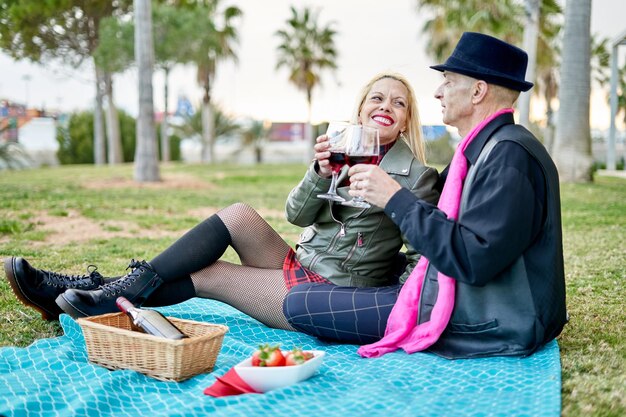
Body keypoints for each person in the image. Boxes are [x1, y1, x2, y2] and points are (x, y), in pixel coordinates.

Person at [3, 71, 440, 332]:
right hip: (300, 263)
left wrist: (380, 295)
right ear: (362, 111)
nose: (387, 106)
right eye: (377, 98)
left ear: (404, 123)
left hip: (333, 292)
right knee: (238, 215)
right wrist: (318, 172)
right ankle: (100, 292)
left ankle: (95, 294)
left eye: (399, 103)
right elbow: (296, 214)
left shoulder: (418, 177)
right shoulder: (341, 155)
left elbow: (423, 255)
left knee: (210, 273)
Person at [283, 32, 568, 359]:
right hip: (464, 295)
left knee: (300, 301)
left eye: (447, 81)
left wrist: (393, 197)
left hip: (495, 318)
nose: (437, 92)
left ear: (477, 91)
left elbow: (473, 258)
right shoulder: (483, 149)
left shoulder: (508, 155)